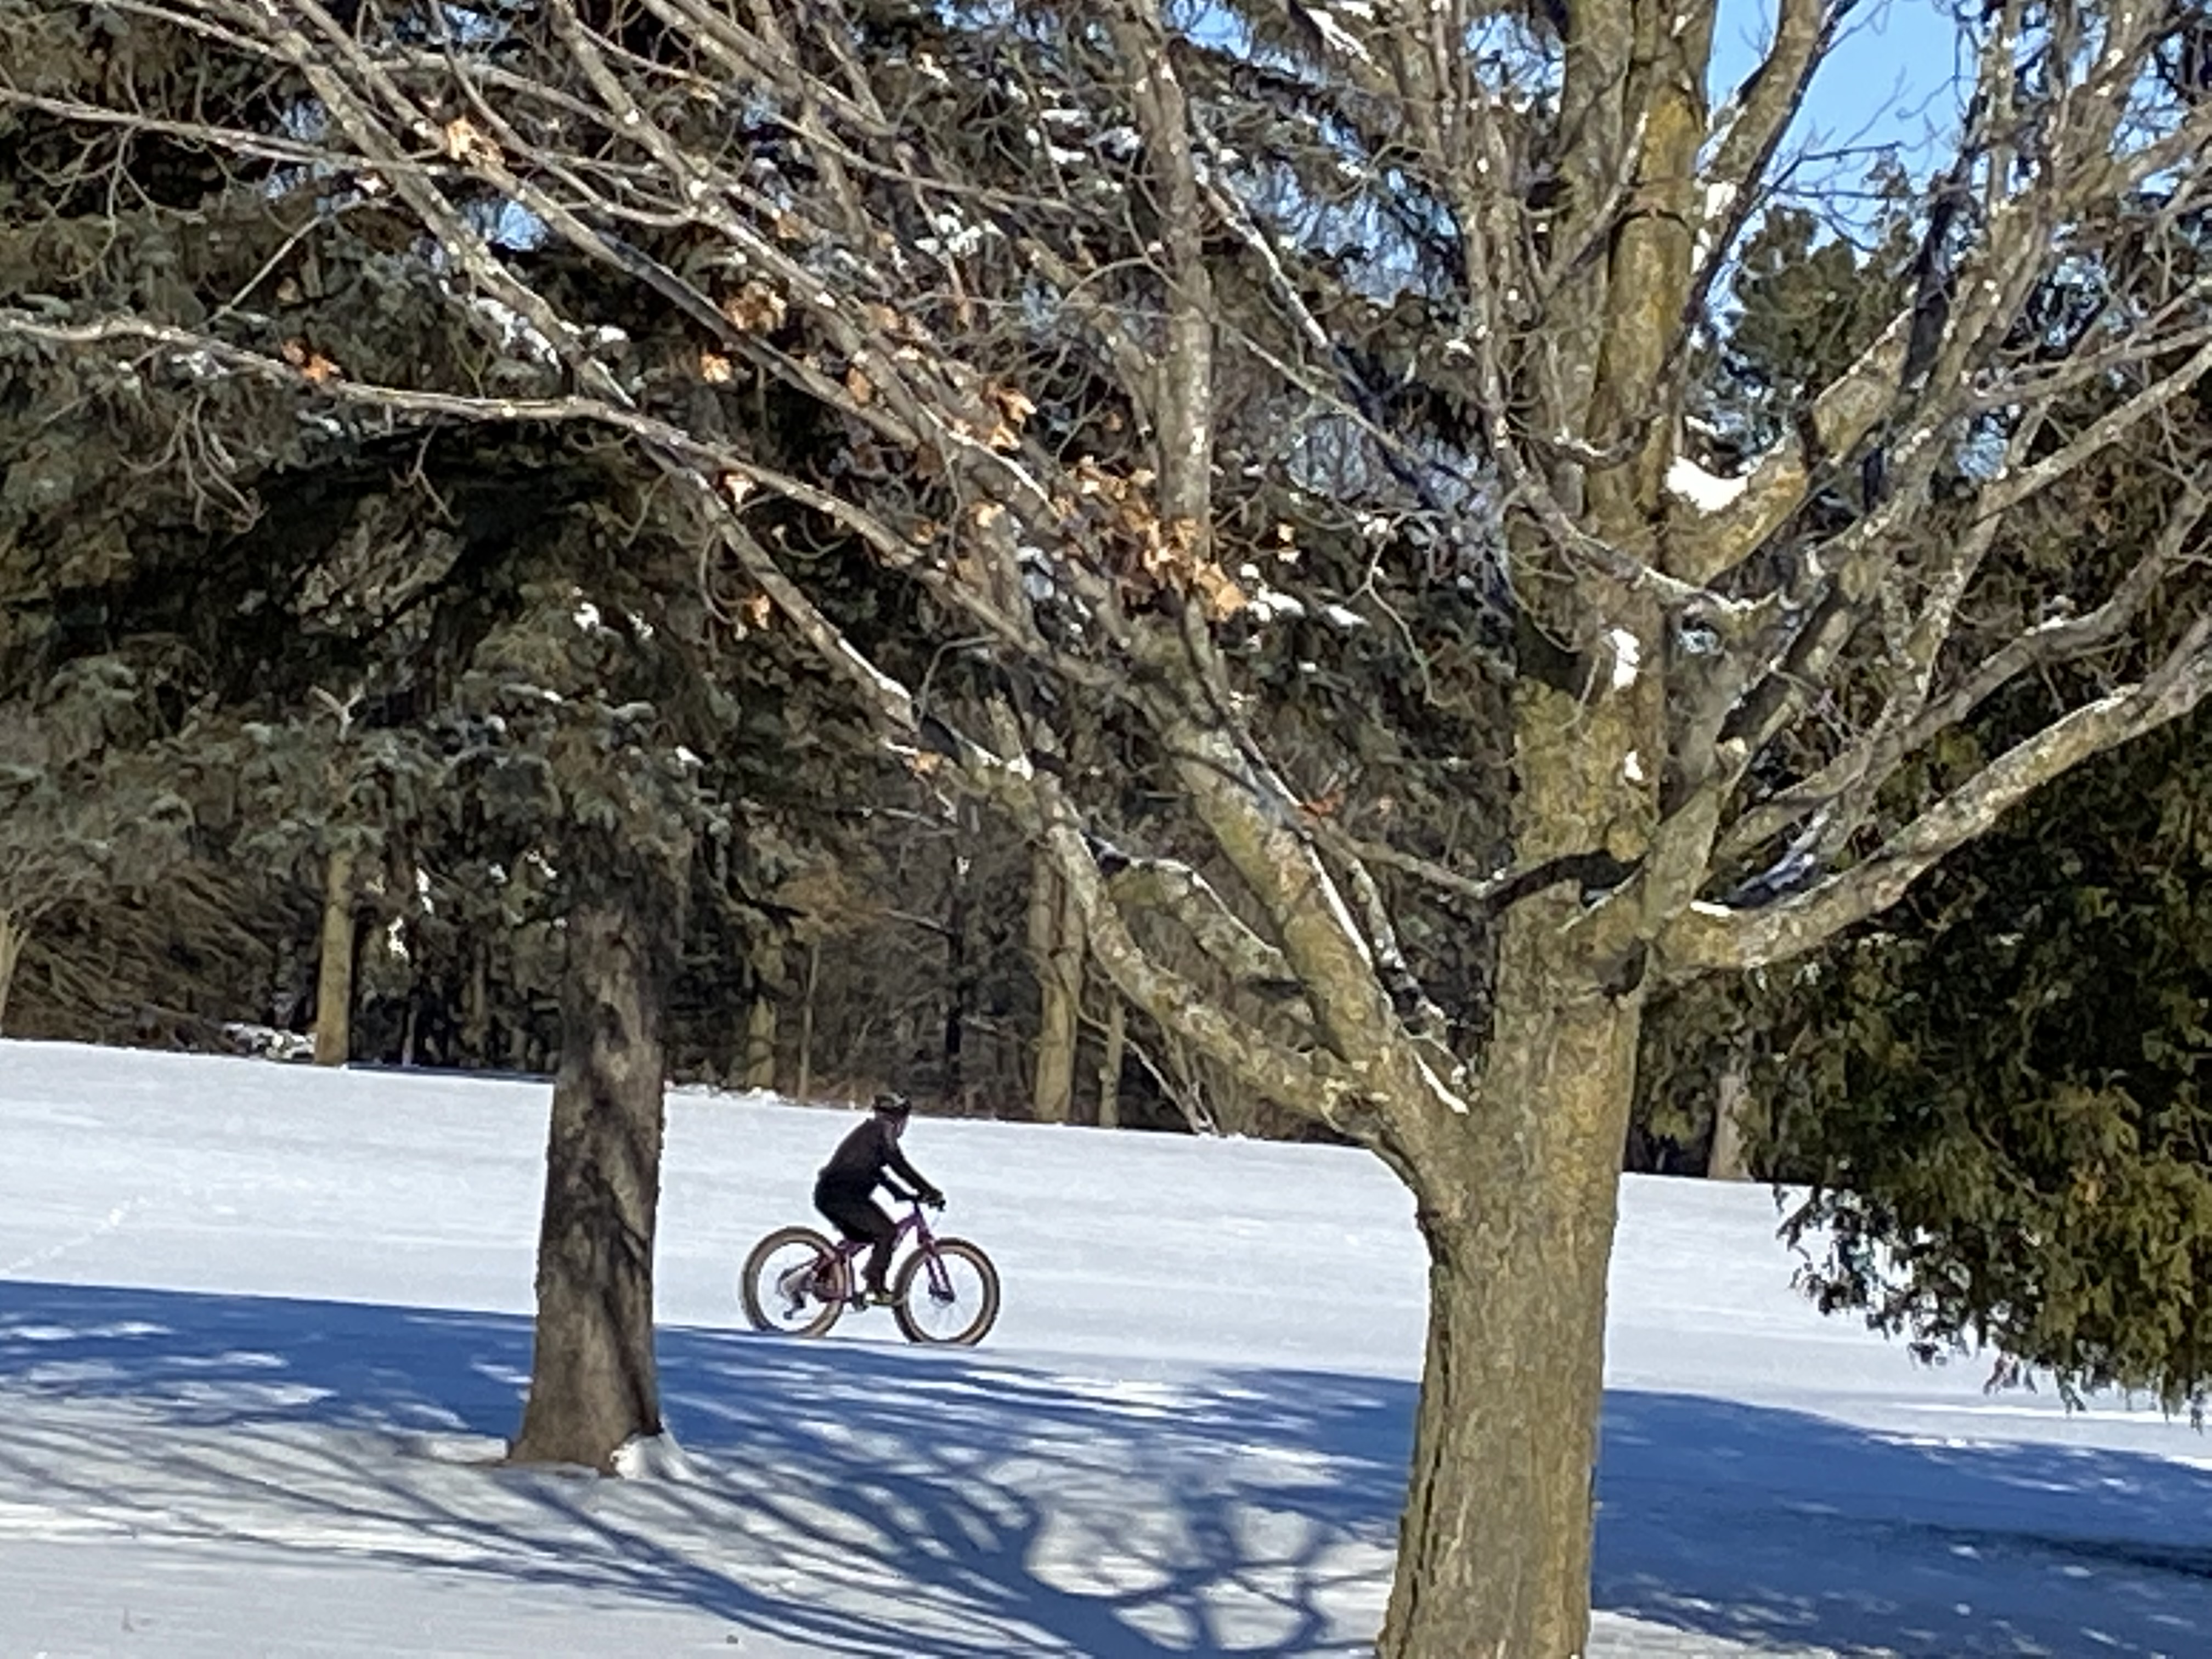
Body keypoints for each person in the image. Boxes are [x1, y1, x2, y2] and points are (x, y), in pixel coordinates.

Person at [814, 1092, 944, 1305]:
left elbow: (877, 1173)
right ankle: (875, 1287)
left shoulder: (870, 1131)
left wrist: (900, 1194)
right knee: (887, 1233)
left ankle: (823, 1275)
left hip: (829, 1194)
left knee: (864, 1236)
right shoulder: (884, 1131)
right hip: (844, 1196)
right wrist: (930, 1191)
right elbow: (899, 1165)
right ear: (900, 1118)